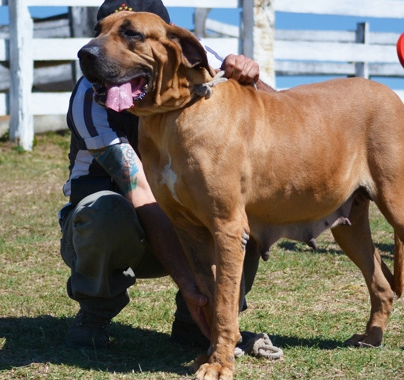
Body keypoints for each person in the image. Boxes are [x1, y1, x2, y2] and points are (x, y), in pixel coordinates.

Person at [59, 0, 274, 350]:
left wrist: (250, 79)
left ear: (173, 44)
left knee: (235, 220)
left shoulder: (203, 57)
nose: (99, 48)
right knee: (105, 212)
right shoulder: (88, 99)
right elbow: (141, 194)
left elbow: (281, 120)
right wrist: (189, 284)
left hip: (180, 217)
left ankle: (203, 323)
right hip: (119, 230)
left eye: (130, 35)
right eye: (101, 33)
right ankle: (94, 313)